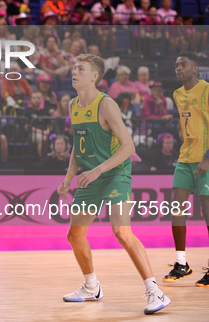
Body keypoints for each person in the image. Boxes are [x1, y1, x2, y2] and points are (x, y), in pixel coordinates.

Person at [57, 54, 171, 314]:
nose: (74, 72)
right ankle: (91, 287)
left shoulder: (106, 105)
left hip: (115, 172)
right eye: (74, 67)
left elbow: (129, 147)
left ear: (94, 76)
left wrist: (98, 170)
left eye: (80, 69)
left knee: (121, 231)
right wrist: (67, 178)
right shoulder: (73, 104)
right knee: (74, 235)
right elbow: (78, 145)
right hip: (91, 175)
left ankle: (155, 292)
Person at [163, 51, 209, 287]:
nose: (178, 68)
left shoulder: (207, 90)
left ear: (195, 68)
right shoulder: (177, 94)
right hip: (185, 158)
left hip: (206, 159)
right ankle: (182, 263)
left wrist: (207, 157)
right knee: (177, 208)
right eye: (176, 65)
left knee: (207, 211)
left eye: (183, 64)